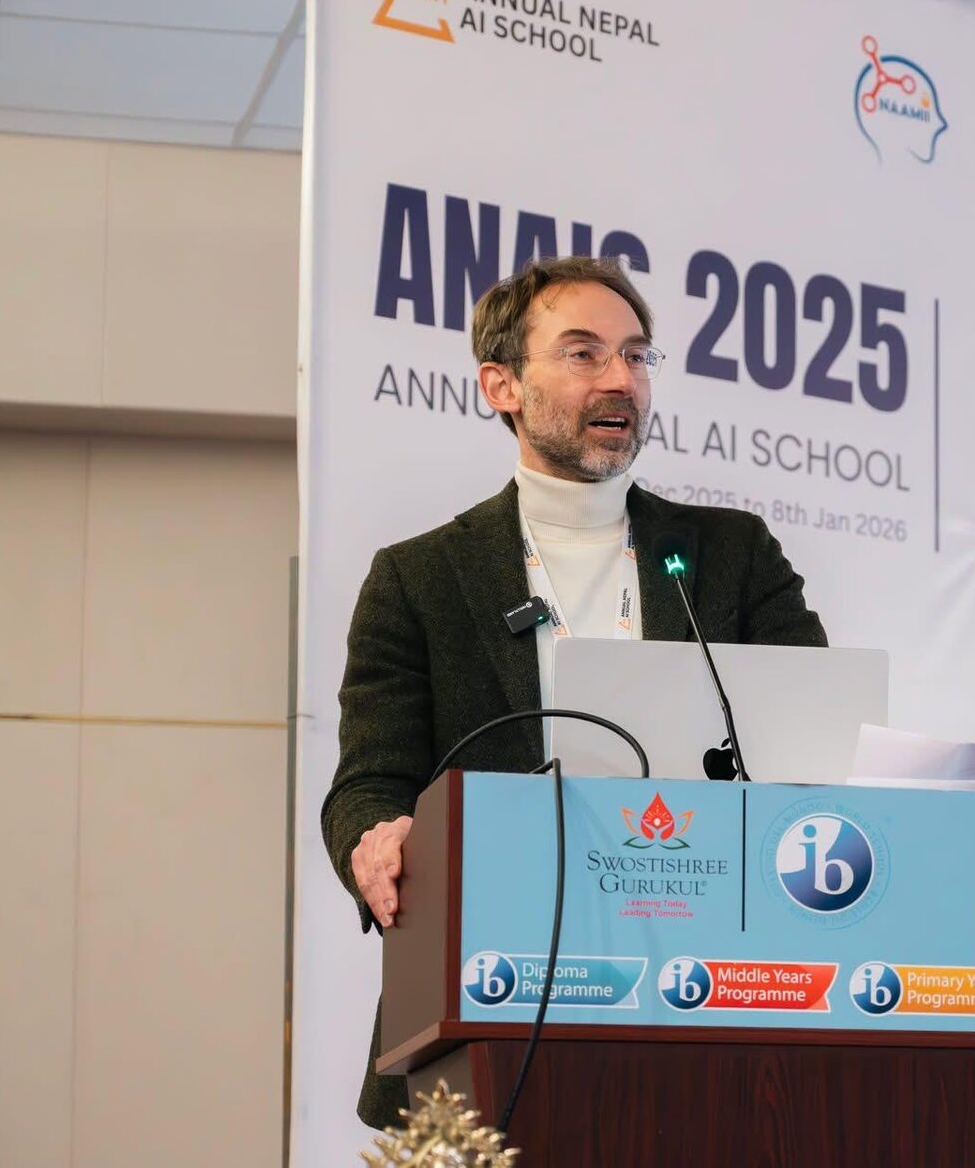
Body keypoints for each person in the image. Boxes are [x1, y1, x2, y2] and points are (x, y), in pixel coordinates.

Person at [321, 255, 827, 1127]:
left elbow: (816, 739)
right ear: (502, 386)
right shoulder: (419, 578)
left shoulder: (733, 555)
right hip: (497, 989)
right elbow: (370, 781)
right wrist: (376, 841)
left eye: (636, 355)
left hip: (719, 992)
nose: (621, 379)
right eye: (584, 353)